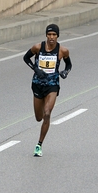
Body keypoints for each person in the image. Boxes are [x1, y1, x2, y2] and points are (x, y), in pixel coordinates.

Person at [23, 24, 72, 157]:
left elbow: (69, 65)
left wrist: (65, 72)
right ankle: (42, 123)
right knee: (39, 117)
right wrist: (35, 69)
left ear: (57, 36)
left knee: (47, 112)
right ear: (46, 35)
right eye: (49, 34)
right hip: (38, 84)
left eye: (54, 35)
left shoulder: (63, 51)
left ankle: (39, 145)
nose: (51, 37)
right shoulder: (38, 47)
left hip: (52, 85)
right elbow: (26, 58)